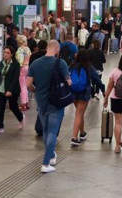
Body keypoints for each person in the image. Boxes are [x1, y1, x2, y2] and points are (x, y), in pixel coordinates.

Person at [26, 40, 71, 173]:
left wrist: (36, 91)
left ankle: (51, 155)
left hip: (41, 101)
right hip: (56, 102)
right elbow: (68, 82)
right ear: (56, 49)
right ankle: (46, 163)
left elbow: (28, 84)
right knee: (52, 131)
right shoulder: (61, 63)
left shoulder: (35, 63)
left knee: (45, 130)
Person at [69, 49, 102, 146]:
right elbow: (96, 79)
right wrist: (103, 89)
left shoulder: (72, 65)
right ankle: (74, 138)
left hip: (74, 92)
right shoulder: (88, 66)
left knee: (80, 113)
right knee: (79, 114)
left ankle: (82, 133)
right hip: (84, 93)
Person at [0, 46, 25, 135]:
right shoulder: (2, 63)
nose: (5, 54)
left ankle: (21, 118)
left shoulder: (15, 64)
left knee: (13, 106)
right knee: (0, 107)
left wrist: (10, 90)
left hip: (13, 89)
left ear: (12, 54)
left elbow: (15, 78)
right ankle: (0, 127)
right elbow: (0, 77)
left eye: (7, 53)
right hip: (2, 88)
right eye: (4, 52)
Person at [16, 35, 31, 111]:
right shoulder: (27, 49)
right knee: (25, 86)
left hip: (22, 68)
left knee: (22, 86)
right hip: (27, 66)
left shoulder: (19, 50)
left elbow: (20, 61)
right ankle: (26, 102)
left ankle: (23, 104)